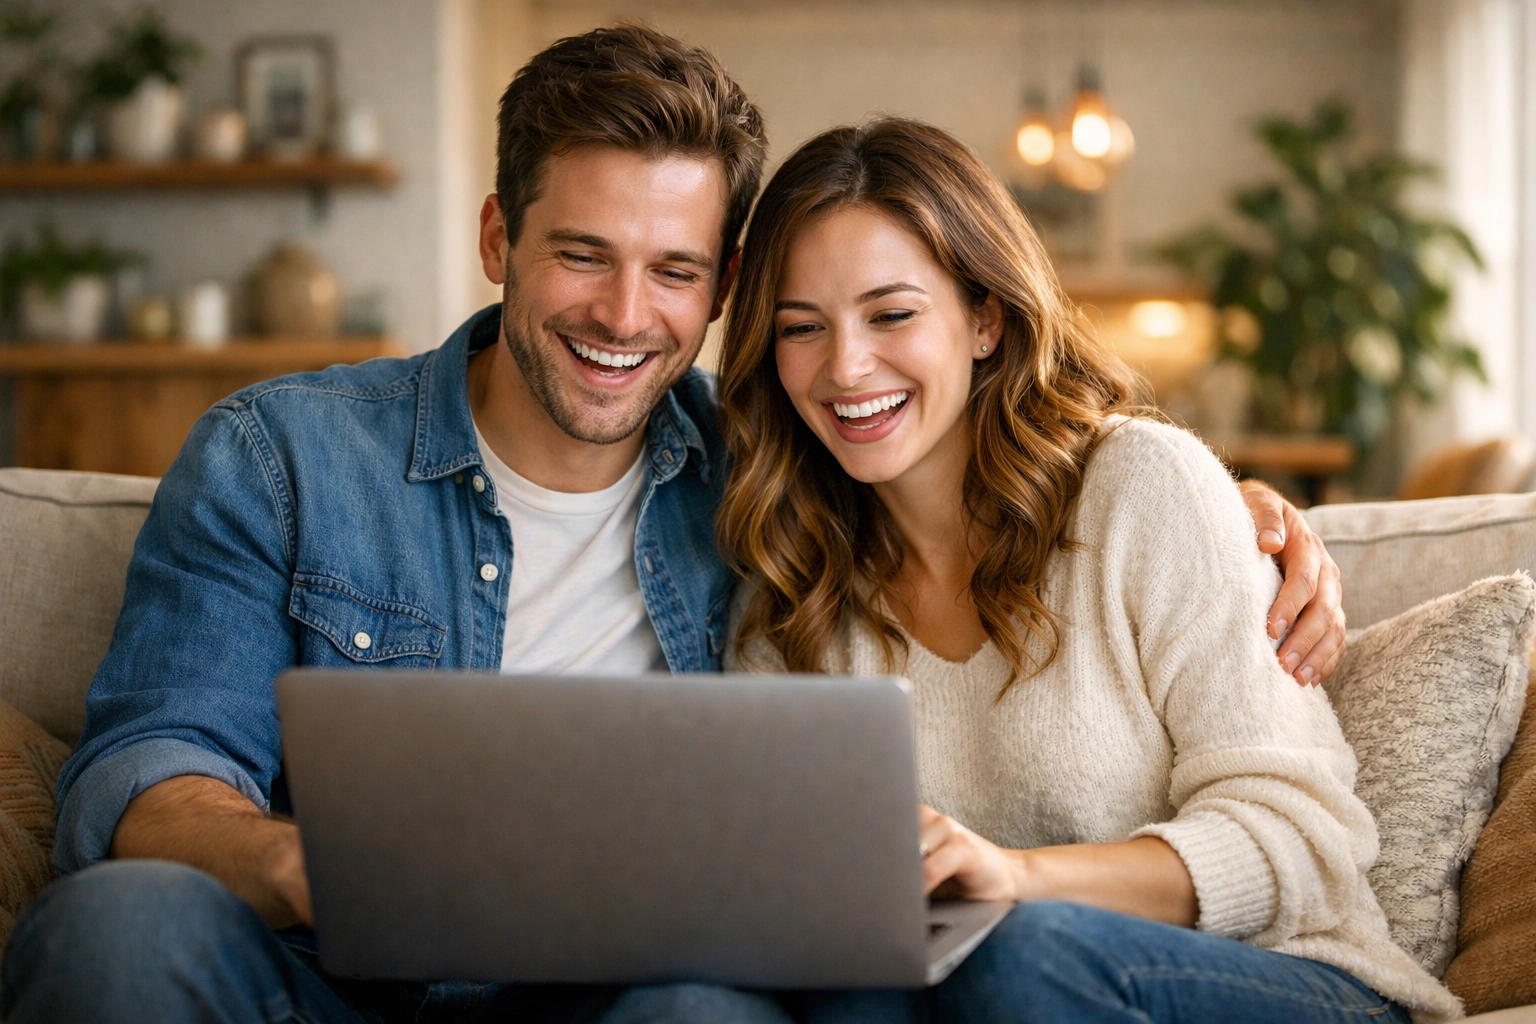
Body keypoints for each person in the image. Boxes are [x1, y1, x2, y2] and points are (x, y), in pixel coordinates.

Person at [4, 27, 1341, 1024]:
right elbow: (148, 764)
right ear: (496, 238)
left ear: (719, 292)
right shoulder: (282, 457)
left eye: (678, 272)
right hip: (337, 974)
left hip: (630, 995)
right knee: (120, 925)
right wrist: (309, 865)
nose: (624, 315)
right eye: (582, 253)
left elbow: (1000, 468)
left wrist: (1240, 522)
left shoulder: (769, 468)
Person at [715, 117, 1458, 1023]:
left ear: (984, 318)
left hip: (1276, 975)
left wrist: (1015, 881)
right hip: (979, 991)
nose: (846, 365)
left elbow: (1303, 841)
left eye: (893, 313)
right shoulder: (790, 585)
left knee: (1018, 956)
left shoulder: (1141, 487)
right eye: (802, 328)